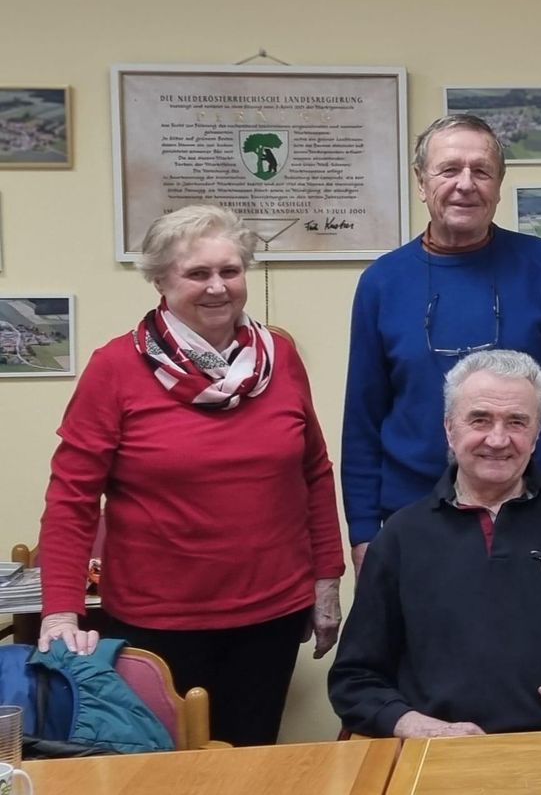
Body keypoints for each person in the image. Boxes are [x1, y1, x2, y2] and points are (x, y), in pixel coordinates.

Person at [38, 205, 345, 746]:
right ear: (160, 279)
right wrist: (60, 612)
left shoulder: (281, 357)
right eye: (197, 273)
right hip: (156, 625)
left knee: (251, 765)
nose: (217, 287)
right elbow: (71, 499)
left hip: (271, 615)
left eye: (230, 271)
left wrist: (327, 580)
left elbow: (314, 474)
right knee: (161, 771)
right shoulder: (116, 367)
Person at [328, 350, 541, 737]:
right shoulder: (400, 537)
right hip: (443, 758)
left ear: (537, 433)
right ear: (449, 428)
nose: (498, 439)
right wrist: (419, 727)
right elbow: (354, 680)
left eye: (517, 422)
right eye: (480, 419)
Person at [342, 114, 541, 574]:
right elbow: (363, 418)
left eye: (481, 171)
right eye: (449, 170)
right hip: (413, 517)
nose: (466, 184)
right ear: (422, 183)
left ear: (498, 186)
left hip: (535, 514)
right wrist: (364, 530)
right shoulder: (382, 282)